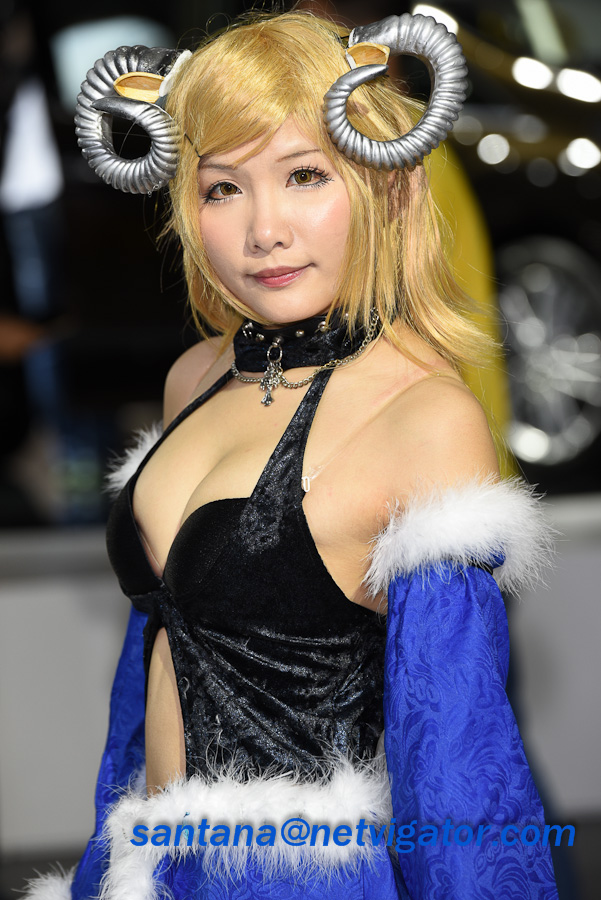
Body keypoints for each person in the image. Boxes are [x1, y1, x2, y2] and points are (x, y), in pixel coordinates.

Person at [26, 9, 560, 900]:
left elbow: (458, 757)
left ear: (382, 184)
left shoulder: (425, 415)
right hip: (154, 867)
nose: (262, 229)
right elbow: (154, 674)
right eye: (222, 188)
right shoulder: (195, 377)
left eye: (304, 175)